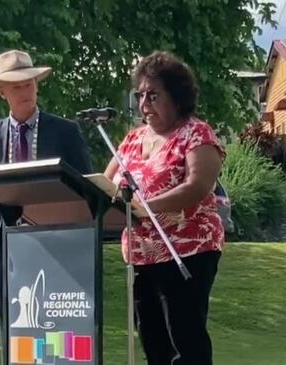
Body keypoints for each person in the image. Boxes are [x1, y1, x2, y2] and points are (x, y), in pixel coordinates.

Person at [103, 50, 225, 365]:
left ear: (177, 95)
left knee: (185, 342)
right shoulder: (131, 140)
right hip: (142, 257)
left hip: (187, 252)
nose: (144, 105)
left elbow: (198, 186)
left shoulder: (197, 133)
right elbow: (104, 186)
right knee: (153, 344)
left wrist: (146, 207)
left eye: (153, 95)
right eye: (140, 96)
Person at [0, 49, 92, 364]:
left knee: (56, 340)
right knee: (14, 341)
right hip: (5, 249)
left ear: (37, 86)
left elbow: (86, 188)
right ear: (2, 93)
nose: (24, 91)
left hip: (57, 246)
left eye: (29, 84)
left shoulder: (65, 132)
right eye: (16, 86)